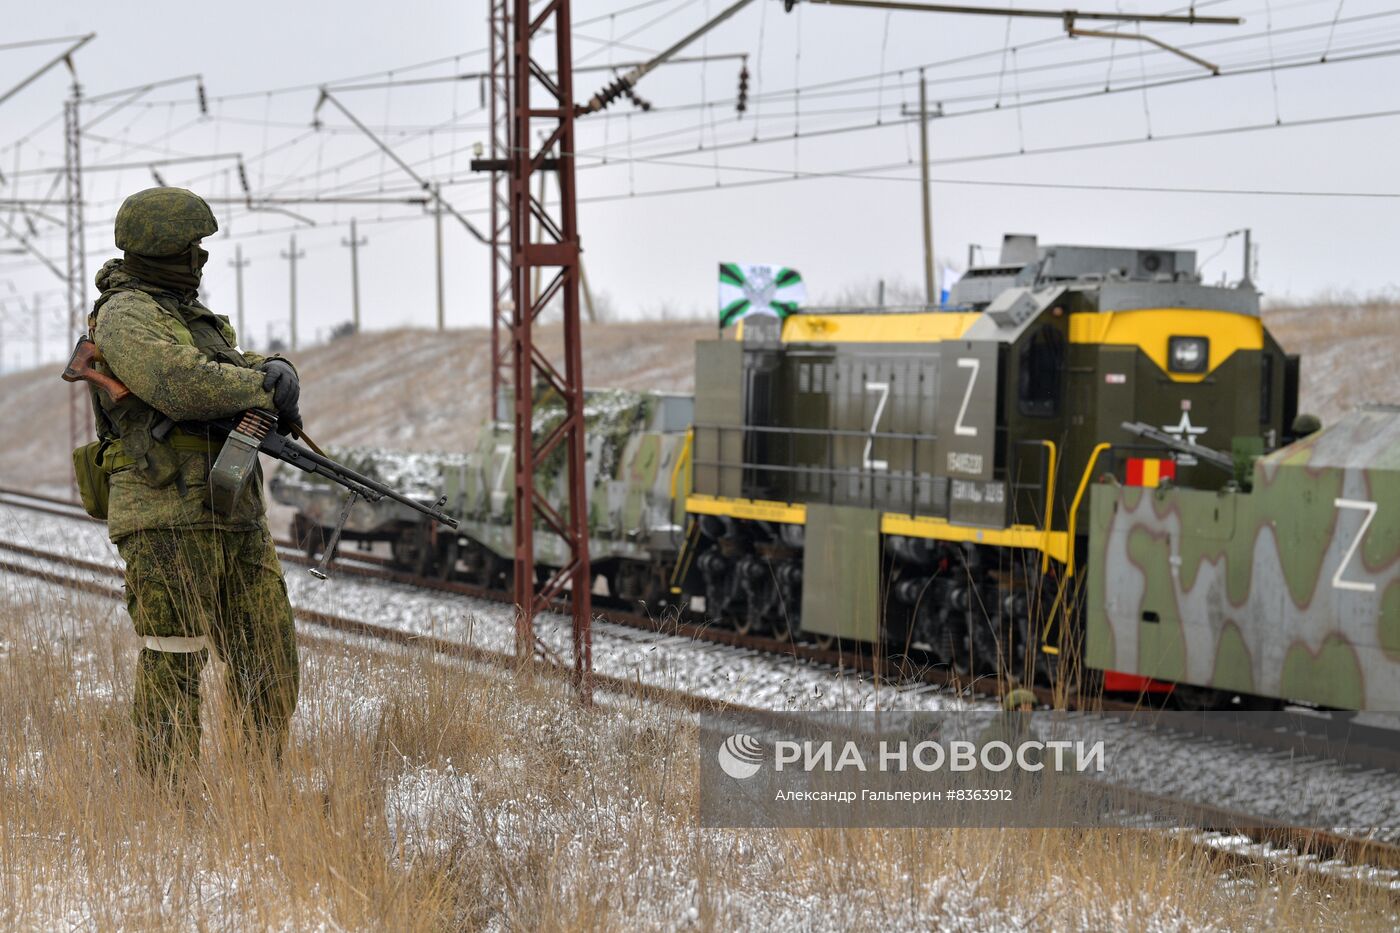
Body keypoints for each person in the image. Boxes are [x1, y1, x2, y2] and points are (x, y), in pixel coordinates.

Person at [85, 187, 302, 788]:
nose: (201, 258)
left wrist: (272, 366)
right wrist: (263, 388)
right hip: (165, 511)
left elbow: (219, 363)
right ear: (164, 251)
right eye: (191, 247)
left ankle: (260, 790)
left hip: (228, 506)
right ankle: (168, 801)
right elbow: (180, 384)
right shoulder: (127, 313)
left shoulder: (185, 313)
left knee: (270, 660)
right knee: (175, 659)